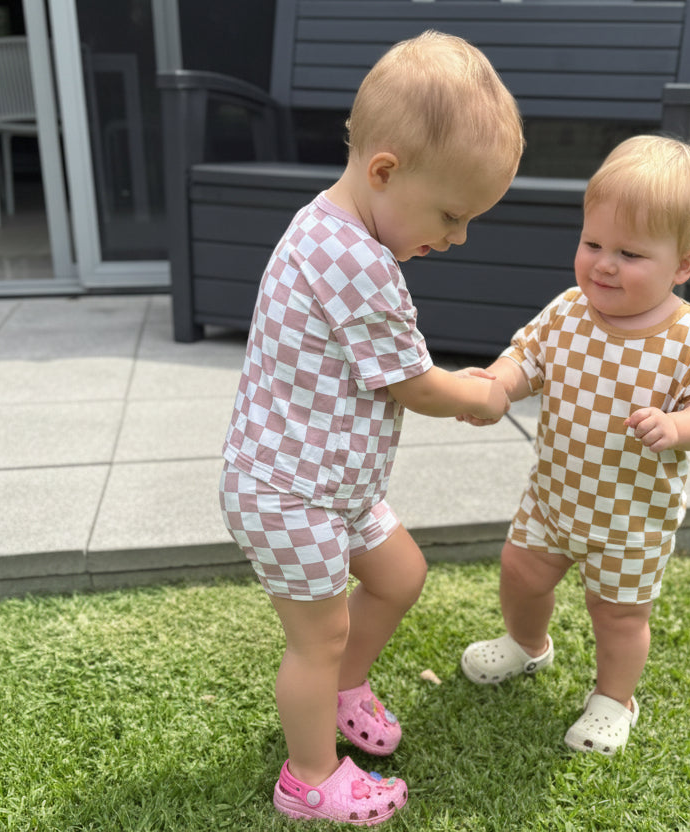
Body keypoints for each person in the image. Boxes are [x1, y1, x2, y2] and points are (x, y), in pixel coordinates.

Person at [219, 31, 522, 825]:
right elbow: (413, 384)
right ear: (385, 171)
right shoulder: (355, 261)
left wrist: (458, 384)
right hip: (290, 494)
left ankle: (342, 687)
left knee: (399, 575)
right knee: (316, 638)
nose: (456, 237)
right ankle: (309, 778)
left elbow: (388, 369)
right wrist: (481, 397)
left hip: (335, 485)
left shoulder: (332, 228)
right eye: (451, 214)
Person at [458, 134, 690, 756]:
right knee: (520, 572)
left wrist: (678, 427)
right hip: (553, 499)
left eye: (630, 253)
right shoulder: (568, 312)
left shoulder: (689, 336)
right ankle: (527, 644)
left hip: (632, 519)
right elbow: (526, 358)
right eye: (592, 244)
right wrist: (496, 385)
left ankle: (615, 700)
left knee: (617, 615)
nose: (604, 265)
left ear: (683, 266)